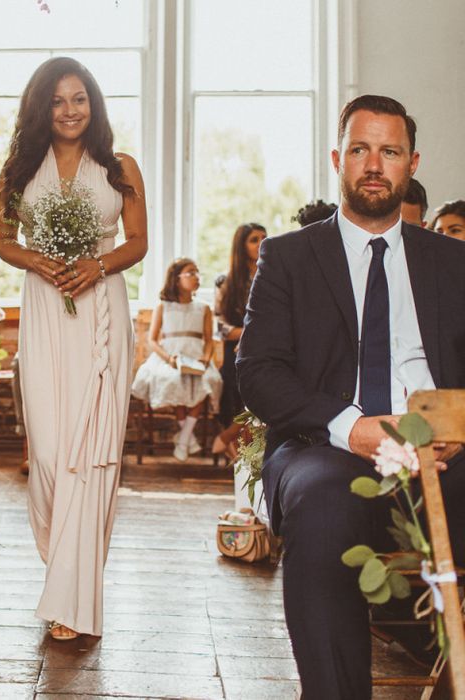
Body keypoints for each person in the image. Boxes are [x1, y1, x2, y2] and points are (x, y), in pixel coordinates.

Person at [236, 95, 465, 699]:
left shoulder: (454, 262)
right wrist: (351, 426)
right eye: (360, 149)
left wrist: (451, 429)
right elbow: (257, 370)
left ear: (411, 162)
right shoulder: (288, 257)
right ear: (338, 158)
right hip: (324, 447)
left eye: (388, 151)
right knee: (323, 504)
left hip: (443, 452)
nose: (373, 164)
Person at [0, 57, 147, 641]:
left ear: (94, 103)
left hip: (102, 308)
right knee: (54, 452)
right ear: (41, 107)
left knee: (95, 447)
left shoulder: (120, 166)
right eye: (57, 101)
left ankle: (73, 594)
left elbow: (139, 241)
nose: (69, 110)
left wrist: (96, 265)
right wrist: (41, 260)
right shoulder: (16, 170)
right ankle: (65, 571)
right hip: (44, 308)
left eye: (79, 98)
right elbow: (6, 241)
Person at [132, 258, 221, 461]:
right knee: (176, 380)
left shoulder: (203, 308)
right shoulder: (164, 306)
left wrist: (206, 360)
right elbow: (152, 340)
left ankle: (183, 438)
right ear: (176, 277)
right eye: (191, 272)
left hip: (196, 357)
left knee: (205, 381)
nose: (196, 277)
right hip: (169, 357)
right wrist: (168, 359)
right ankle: (187, 439)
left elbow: (209, 341)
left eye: (198, 272)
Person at [212, 223, 266, 459]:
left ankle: (227, 439)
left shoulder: (273, 276)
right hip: (234, 352)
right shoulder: (226, 283)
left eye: (265, 237)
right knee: (232, 391)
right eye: (254, 239)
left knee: (264, 395)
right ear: (241, 246)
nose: (262, 243)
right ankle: (241, 455)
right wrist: (248, 333)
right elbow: (219, 326)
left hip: (266, 351)